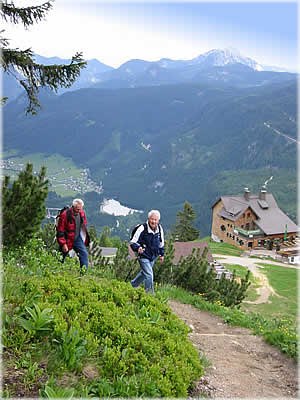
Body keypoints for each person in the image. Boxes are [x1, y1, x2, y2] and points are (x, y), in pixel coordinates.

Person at [130, 210, 164, 293]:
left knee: (144, 273)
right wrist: (138, 248)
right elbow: (133, 242)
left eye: (155, 220)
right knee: (149, 275)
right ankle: (149, 295)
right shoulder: (142, 228)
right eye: (152, 219)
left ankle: (131, 285)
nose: (153, 221)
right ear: (148, 219)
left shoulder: (159, 228)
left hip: (153, 256)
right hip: (143, 255)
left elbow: (161, 242)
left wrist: (161, 254)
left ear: (158, 220)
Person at [56, 198, 90, 273]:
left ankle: (84, 273)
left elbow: (84, 224)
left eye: (80, 209)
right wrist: (63, 244)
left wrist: (84, 238)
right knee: (61, 257)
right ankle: (55, 272)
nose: (79, 211)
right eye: (77, 209)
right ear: (73, 207)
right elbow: (60, 231)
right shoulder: (65, 215)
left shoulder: (82, 213)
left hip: (77, 238)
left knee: (84, 254)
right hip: (67, 239)